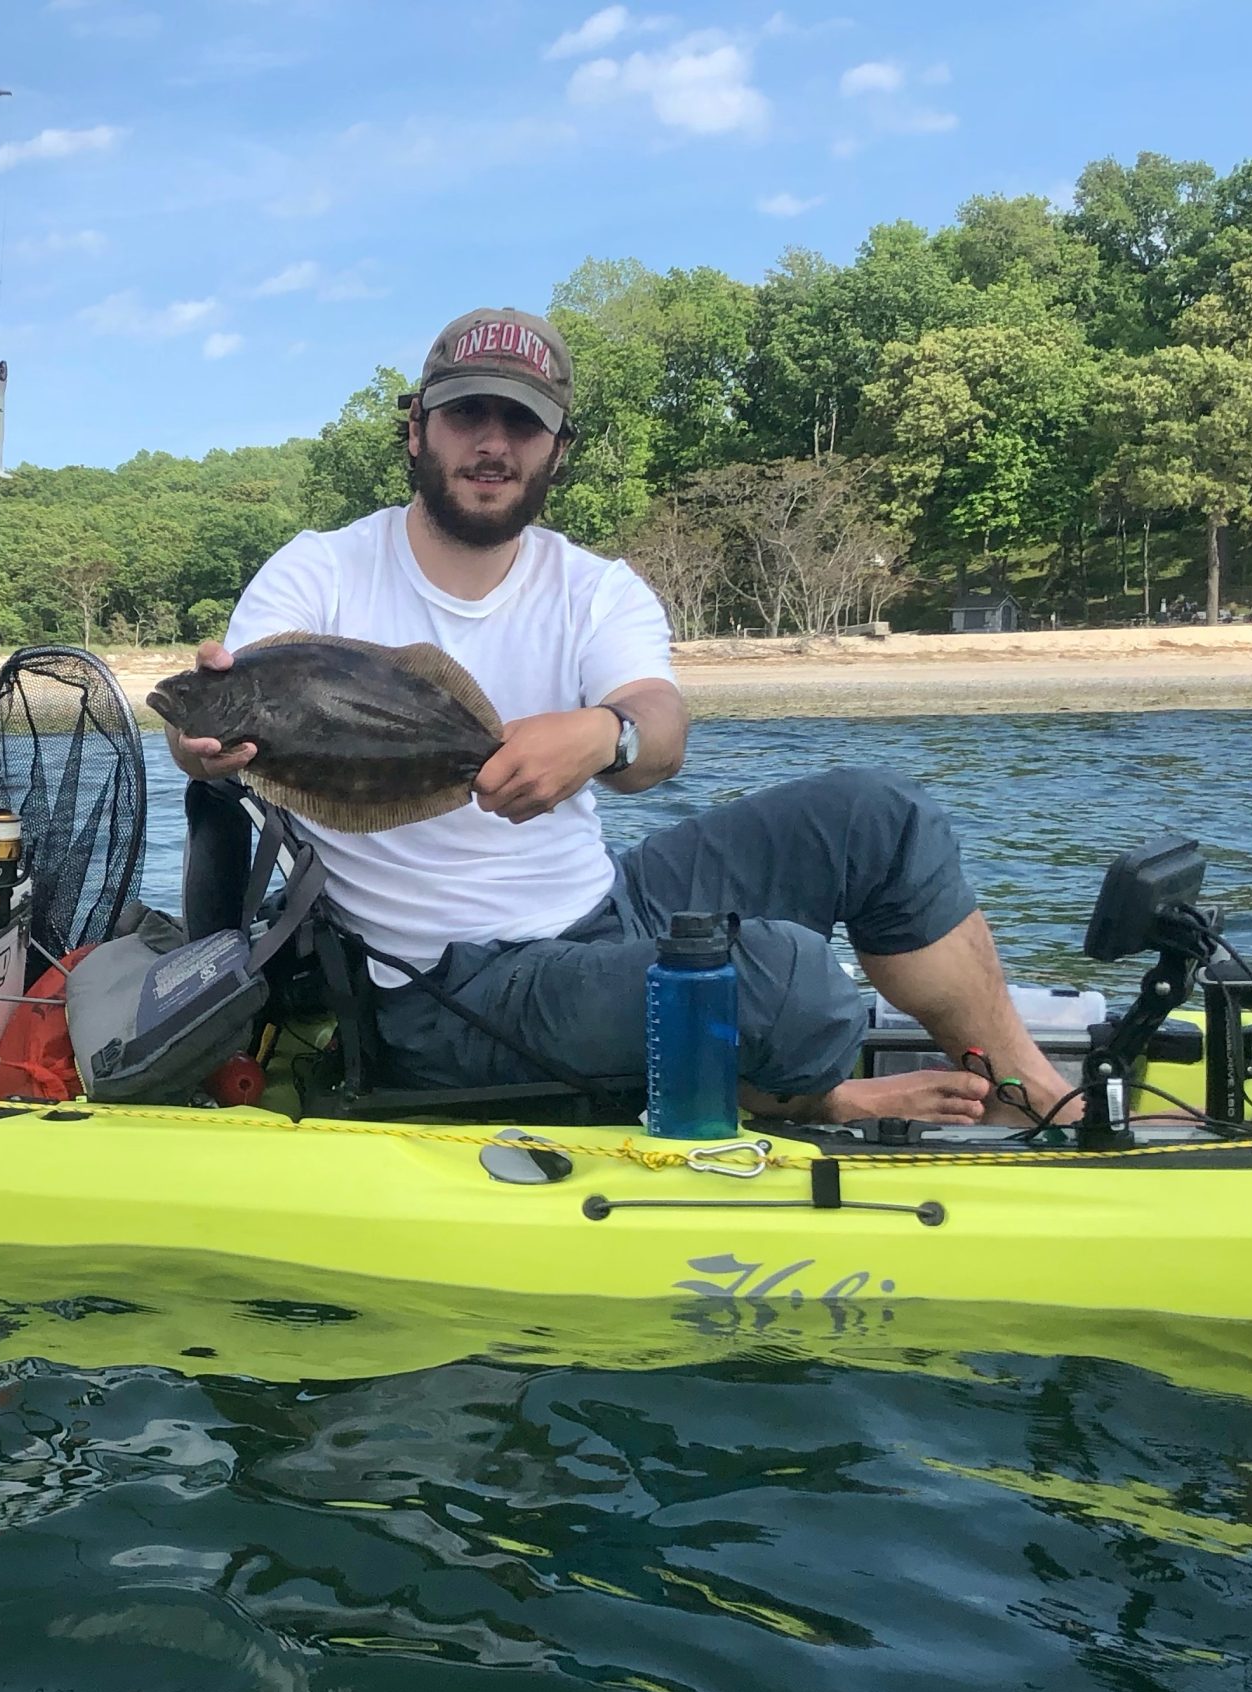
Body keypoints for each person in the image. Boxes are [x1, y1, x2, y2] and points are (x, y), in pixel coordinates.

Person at [164, 305, 1079, 1126]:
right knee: (794, 984)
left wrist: (605, 734)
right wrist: (198, 744)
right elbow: (225, 724)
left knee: (881, 819)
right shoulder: (318, 570)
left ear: (559, 449)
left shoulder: (594, 587)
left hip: (602, 908)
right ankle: (811, 1097)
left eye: (522, 422)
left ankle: (1024, 1084)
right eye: (466, 414)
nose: (493, 443)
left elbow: (658, 728)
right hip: (448, 989)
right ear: (416, 430)